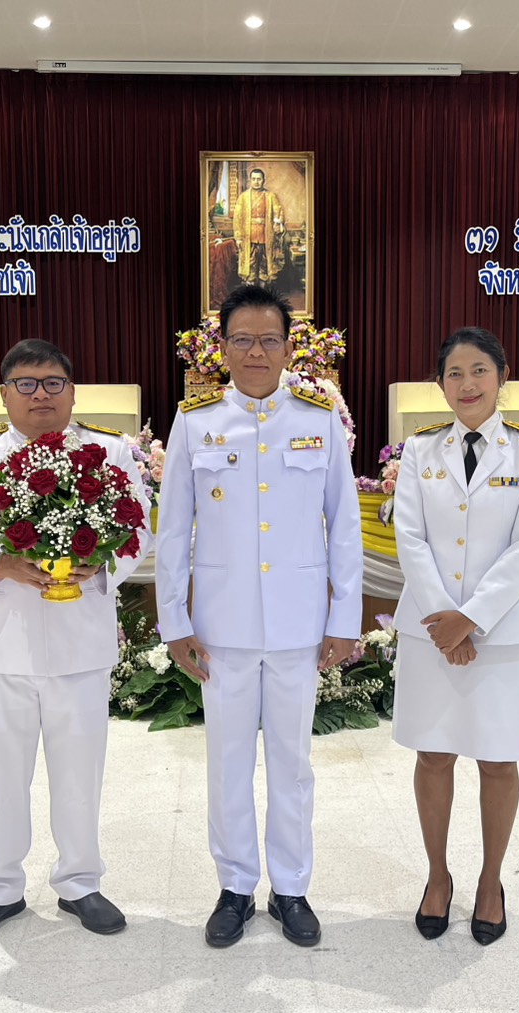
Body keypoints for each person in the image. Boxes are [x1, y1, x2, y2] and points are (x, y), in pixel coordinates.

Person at [156, 284, 363, 948]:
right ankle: (236, 887)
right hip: (223, 628)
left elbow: (344, 525)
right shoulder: (195, 421)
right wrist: (174, 622)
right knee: (227, 762)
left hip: (300, 624)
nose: (254, 352)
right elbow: (172, 529)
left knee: (292, 762)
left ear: (287, 347)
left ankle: (292, 888)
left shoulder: (317, 419)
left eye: (268, 339)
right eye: (241, 339)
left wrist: (344, 618)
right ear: (221, 346)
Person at [0, 338, 152, 945]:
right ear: (4, 394)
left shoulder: (108, 451)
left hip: (80, 643)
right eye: (25, 384)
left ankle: (80, 882)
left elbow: (140, 531)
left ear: (72, 392)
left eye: (53, 383)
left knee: (80, 771)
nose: (40, 395)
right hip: (1, 642)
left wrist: (100, 566)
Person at [390, 327, 519, 945]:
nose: (467, 384)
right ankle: (438, 877)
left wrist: (472, 619)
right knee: (433, 755)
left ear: (502, 376)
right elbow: (410, 537)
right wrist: (445, 620)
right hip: (430, 631)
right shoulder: (419, 451)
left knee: (497, 759)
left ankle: (491, 882)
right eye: (454, 373)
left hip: (502, 635)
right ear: (440, 385)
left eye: (479, 370)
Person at [232, 167, 285, 288]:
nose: (256, 181)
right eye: (254, 179)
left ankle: (262, 292)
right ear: (250, 180)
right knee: (250, 266)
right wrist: (238, 237)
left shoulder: (271, 196)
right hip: (248, 237)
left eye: (259, 179)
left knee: (264, 266)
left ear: (263, 180)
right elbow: (237, 218)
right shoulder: (243, 197)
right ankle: (251, 293)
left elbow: (278, 212)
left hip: (266, 236)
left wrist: (278, 223)